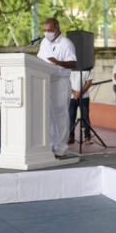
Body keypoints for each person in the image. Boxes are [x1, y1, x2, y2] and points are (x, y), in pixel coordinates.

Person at [36, 18, 77, 157]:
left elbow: (73, 63)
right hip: (46, 81)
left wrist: (58, 62)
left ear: (57, 28)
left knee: (60, 115)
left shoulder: (66, 43)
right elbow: (38, 60)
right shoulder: (44, 42)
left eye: (50, 30)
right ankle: (50, 145)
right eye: (45, 30)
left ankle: (61, 147)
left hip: (60, 82)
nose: (47, 33)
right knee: (48, 116)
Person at [68, 69, 94, 145]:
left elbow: (89, 82)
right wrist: (74, 92)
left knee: (85, 117)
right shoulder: (69, 68)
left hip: (84, 97)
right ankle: (71, 137)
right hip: (72, 97)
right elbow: (66, 82)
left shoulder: (87, 69)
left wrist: (80, 93)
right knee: (71, 117)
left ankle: (87, 138)